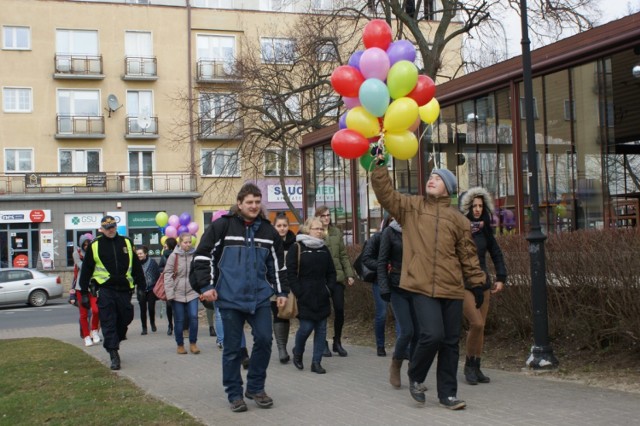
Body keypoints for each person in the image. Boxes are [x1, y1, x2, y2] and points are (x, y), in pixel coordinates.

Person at [371, 165, 486, 410]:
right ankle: (415, 374)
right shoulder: (412, 207)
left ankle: (448, 394)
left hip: (452, 288)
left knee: (450, 342)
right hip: (421, 285)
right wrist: (379, 167)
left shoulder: (458, 219)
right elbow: (385, 194)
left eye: (438, 178)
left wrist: (476, 283)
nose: (431, 180)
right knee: (432, 335)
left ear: (449, 188)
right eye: (431, 176)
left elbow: (467, 255)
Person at [192, 183, 287, 413]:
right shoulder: (222, 227)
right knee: (233, 349)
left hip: (260, 298)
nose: (254, 206)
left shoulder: (268, 231)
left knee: (265, 340)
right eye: (249, 202)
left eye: (257, 202)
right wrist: (207, 285)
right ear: (240, 203)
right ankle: (234, 394)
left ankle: (255, 387)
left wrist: (282, 291)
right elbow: (203, 256)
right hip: (229, 298)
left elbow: (278, 266)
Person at [79, 215, 145, 371]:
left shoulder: (126, 242)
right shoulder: (95, 245)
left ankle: (116, 339)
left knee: (126, 317)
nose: (111, 230)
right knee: (108, 322)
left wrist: (141, 287)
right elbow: (86, 271)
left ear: (116, 227)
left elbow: (136, 266)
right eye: (107, 228)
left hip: (124, 289)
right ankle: (113, 353)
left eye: (113, 227)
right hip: (105, 289)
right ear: (102, 229)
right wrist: (83, 293)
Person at [459, 187, 507, 385]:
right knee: (476, 323)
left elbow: (496, 252)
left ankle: (477, 366)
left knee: (481, 327)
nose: (477, 209)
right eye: (474, 205)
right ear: (468, 207)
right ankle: (468, 366)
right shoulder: (460, 228)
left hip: (483, 282)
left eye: (480, 205)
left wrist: (501, 277)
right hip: (464, 284)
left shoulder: (485, 229)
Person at [288, 217, 336, 374]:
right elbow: (291, 273)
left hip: (321, 295)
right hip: (304, 296)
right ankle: (298, 352)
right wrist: (299, 292)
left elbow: (331, 272)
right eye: (317, 228)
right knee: (306, 328)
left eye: (322, 229)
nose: (320, 231)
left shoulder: (324, 249)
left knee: (321, 330)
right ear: (308, 229)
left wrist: (328, 289)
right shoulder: (297, 247)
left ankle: (316, 362)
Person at [377, 216, 416, 389]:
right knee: (407, 330)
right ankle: (396, 364)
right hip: (397, 286)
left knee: (421, 332)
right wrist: (384, 287)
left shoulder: (419, 229)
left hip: (417, 286)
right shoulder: (389, 232)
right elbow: (382, 261)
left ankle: (415, 373)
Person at [315, 205, 355, 357]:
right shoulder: (316, 232)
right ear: (318, 217)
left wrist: (349, 274)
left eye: (328, 215)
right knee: (323, 312)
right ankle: (322, 342)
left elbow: (343, 255)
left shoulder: (336, 232)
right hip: (321, 279)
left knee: (339, 309)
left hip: (337, 278)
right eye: (323, 216)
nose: (326, 218)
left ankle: (337, 342)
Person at [164, 232, 200, 355]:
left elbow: (199, 272)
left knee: (194, 317)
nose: (188, 244)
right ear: (180, 243)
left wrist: (200, 289)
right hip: (177, 292)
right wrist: (170, 293)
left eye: (190, 242)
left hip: (192, 292)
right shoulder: (174, 256)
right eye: (185, 242)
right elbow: (167, 274)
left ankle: (193, 343)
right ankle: (180, 344)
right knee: (179, 320)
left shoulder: (195, 255)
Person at [359, 215, 388, 357]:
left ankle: (404, 348)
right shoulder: (377, 238)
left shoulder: (406, 237)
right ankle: (380, 345)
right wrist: (383, 267)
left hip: (399, 280)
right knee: (382, 314)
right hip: (380, 280)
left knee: (403, 316)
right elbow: (366, 258)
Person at [272, 213, 296, 363]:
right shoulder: (270, 242)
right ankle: (282, 349)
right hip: (273, 284)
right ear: (274, 227)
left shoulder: (294, 243)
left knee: (288, 314)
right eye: (279, 226)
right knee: (278, 315)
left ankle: (293, 346)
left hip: (290, 283)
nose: (282, 229)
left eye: (284, 226)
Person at [71, 233, 100, 347]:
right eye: (85, 244)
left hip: (92, 286)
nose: (87, 246)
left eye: (89, 244)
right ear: (81, 244)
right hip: (80, 287)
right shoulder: (76, 253)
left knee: (96, 310)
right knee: (83, 314)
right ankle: (87, 336)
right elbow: (83, 266)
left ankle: (94, 330)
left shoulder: (94, 252)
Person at [136, 245, 161, 335]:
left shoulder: (152, 262)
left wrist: (157, 287)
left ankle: (152, 323)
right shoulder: (135, 263)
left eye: (141, 253)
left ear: (145, 253)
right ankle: (144, 328)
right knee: (143, 309)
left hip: (151, 288)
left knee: (151, 307)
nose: (139, 255)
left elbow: (157, 275)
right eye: (137, 254)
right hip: (141, 289)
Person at [158, 237, 177, 336]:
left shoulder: (178, 254)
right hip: (168, 282)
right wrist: (166, 270)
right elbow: (160, 267)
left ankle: (177, 325)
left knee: (177, 305)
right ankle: (170, 325)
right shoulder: (164, 256)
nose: (164, 246)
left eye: (166, 244)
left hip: (178, 282)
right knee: (169, 305)